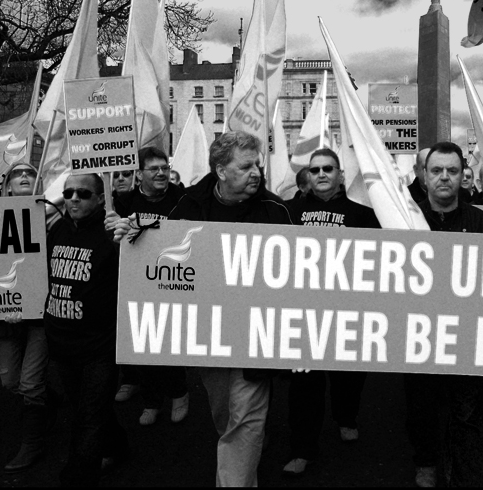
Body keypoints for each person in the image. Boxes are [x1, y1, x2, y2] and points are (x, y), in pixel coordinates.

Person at [150, 131, 292, 487]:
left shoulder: (275, 211)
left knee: (245, 419)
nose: (256, 172)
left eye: (257, 164)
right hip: (208, 334)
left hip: (256, 336)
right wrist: (128, 234)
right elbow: (160, 249)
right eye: (245, 166)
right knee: (226, 415)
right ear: (221, 171)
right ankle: (244, 458)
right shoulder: (189, 206)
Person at [282, 148, 381, 476]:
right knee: (303, 388)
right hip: (304, 317)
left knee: (348, 378)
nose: (321, 174)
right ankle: (302, 449)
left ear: (340, 175)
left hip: (347, 314)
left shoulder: (362, 214)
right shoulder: (288, 211)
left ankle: (346, 416)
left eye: (328, 168)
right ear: (307, 177)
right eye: (315, 170)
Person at [406, 142, 483, 488]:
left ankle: (465, 475)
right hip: (418, 334)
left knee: (467, 410)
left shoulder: (481, 221)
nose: (445, 177)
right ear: (424, 177)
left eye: (453, 171)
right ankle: (426, 460)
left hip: (465, 334)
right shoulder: (406, 221)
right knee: (421, 406)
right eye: (437, 170)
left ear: (463, 177)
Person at [45, 172, 129, 486]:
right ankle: (118, 447)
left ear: (99, 198)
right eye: (68, 193)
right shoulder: (57, 231)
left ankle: (78, 474)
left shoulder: (113, 235)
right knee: (88, 408)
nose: (74, 199)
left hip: (99, 347)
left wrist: (125, 238)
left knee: (88, 419)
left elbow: (135, 276)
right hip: (61, 343)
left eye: (82, 193)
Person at [111, 147, 191, 426]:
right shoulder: (123, 202)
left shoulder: (183, 199)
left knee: (169, 346)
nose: (161, 173)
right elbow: (113, 241)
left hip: (174, 283)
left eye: (165, 168)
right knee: (143, 346)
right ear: (139, 173)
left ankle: (180, 393)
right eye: (153, 169)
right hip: (137, 286)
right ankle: (152, 402)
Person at [0, 163, 56, 473]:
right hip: (5, 318)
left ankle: (33, 444)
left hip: (40, 317)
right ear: (6, 187)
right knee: (9, 381)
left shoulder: (54, 219)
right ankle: (47, 402)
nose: (25, 177)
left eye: (31, 173)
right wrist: (6, 305)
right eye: (18, 174)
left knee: (29, 384)